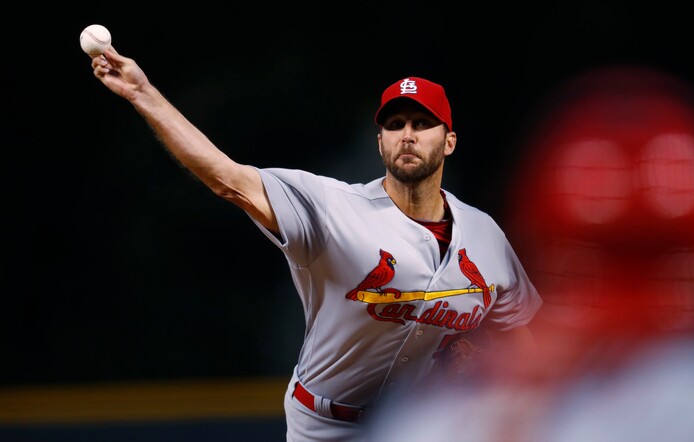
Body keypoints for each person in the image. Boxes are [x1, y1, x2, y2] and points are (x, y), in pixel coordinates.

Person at [88, 46, 543, 441]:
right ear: (380, 141)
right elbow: (228, 179)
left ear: (449, 142)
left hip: (415, 424)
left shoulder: (485, 236)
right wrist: (141, 93)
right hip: (326, 425)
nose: (407, 134)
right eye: (395, 123)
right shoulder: (330, 209)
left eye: (422, 123)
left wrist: (493, 371)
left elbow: (521, 334)